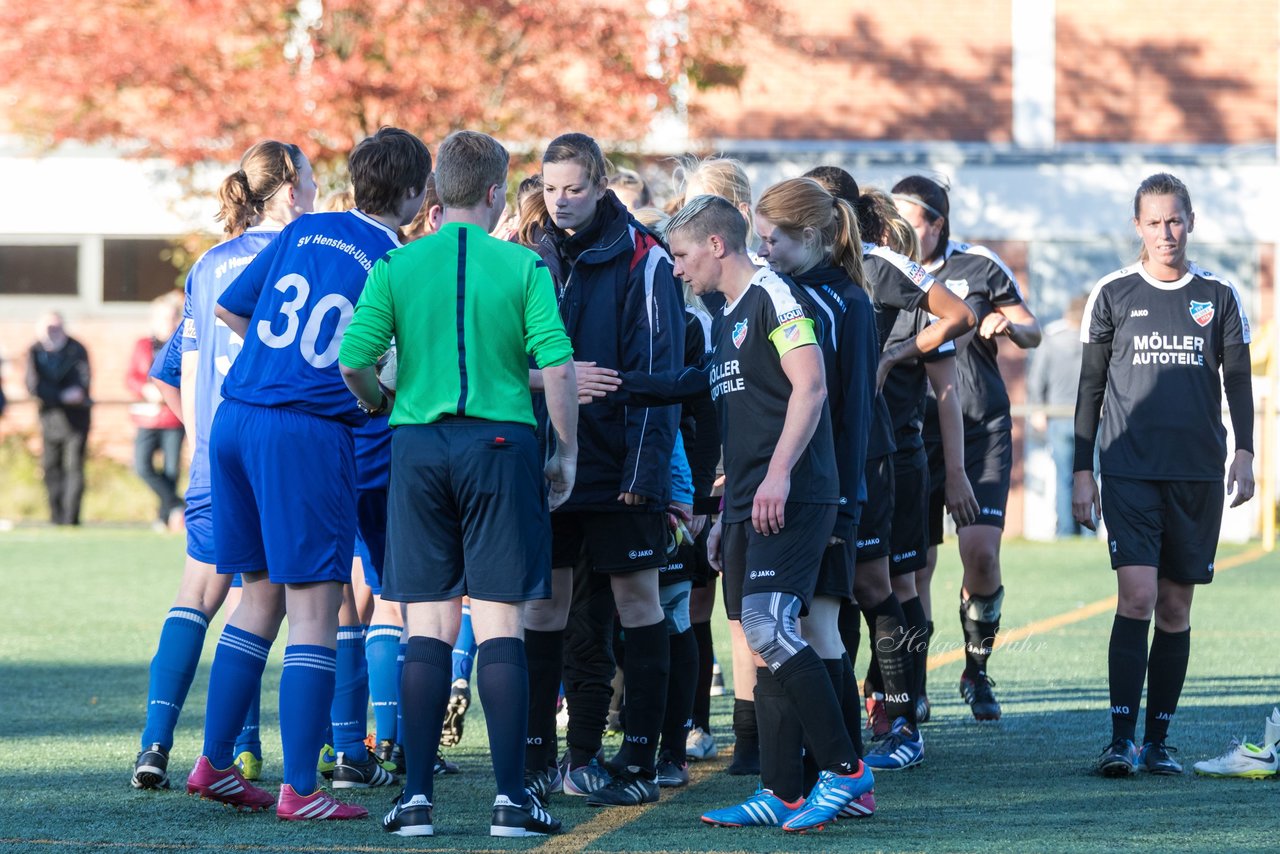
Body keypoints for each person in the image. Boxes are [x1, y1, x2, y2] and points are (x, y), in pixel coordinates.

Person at [186, 127, 430, 822]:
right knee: (318, 609)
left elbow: (234, 307)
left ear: (357, 179)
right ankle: (299, 787)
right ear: (415, 196)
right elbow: (395, 365)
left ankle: (214, 764)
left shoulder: (306, 226)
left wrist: (283, 363)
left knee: (257, 599)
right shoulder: (398, 260)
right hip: (305, 433)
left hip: (238, 418)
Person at [339, 129, 578, 838]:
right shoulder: (525, 266)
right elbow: (559, 366)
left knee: (427, 625)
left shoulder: (398, 263)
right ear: (497, 192)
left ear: (437, 190)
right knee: (500, 620)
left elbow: (355, 359)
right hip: (501, 445)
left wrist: (382, 403)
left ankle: (415, 801)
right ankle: (511, 801)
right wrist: (565, 451)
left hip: (417, 447)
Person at [654, 194, 875, 832]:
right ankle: (780, 790)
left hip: (797, 492)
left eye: (681, 254)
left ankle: (844, 768)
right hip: (748, 501)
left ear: (716, 245)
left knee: (771, 624)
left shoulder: (777, 296)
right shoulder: (724, 316)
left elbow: (811, 387)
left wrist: (779, 475)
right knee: (762, 637)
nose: (676, 267)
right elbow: (742, 423)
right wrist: (726, 509)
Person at [130, 140, 317, 791]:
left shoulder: (208, 264)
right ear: (291, 189)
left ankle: (157, 745)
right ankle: (305, 753)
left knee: (199, 597)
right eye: (314, 180)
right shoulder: (299, 254)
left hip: (216, 454)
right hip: (276, 452)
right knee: (279, 601)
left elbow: (174, 373)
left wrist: (206, 438)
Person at [520, 132, 683, 808]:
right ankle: (538, 757)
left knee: (637, 607)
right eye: (552, 188)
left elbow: (661, 374)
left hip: (619, 470)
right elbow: (504, 361)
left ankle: (639, 754)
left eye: (575, 188)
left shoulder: (646, 258)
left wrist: (645, 473)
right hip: (546, 468)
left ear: (601, 183)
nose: (561, 201)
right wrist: (549, 382)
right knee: (544, 610)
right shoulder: (524, 256)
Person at [1075, 173, 1254, 777]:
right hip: (1129, 470)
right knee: (1139, 596)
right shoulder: (1114, 292)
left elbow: (1238, 384)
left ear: (1191, 220)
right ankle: (1120, 740)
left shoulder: (1219, 295)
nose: (1165, 233)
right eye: (1153, 222)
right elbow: (1090, 389)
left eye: (1174, 220)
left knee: (1175, 610)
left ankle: (1157, 742)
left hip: (1198, 473)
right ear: (1138, 228)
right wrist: (1082, 471)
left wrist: (1246, 453)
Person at [797, 168, 974, 769]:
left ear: (843, 214)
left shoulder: (881, 265)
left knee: (880, 587)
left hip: (875, 452)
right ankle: (827, 725)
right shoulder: (786, 270)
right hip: (808, 452)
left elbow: (959, 316)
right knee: (821, 594)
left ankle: (902, 719)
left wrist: (894, 353)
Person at [894, 175, 1042, 721]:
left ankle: (976, 670)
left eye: (914, 225)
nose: (905, 235)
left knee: (980, 554)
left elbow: (1033, 332)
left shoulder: (977, 265)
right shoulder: (886, 269)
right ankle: (915, 682)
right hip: (911, 432)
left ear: (938, 223)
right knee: (917, 567)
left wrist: (1007, 325)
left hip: (980, 431)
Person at [1027, 294, 1089, 537]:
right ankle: (1088, 530)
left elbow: (1036, 379)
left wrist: (1038, 410)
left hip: (1058, 418)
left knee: (1064, 477)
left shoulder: (1052, 341)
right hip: (1091, 422)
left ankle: (1065, 531)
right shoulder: (1096, 343)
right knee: (1090, 477)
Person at [25, 312, 92, 526]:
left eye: (56, 327)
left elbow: (83, 381)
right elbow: (33, 385)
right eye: (48, 328)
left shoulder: (76, 349)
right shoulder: (35, 351)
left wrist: (73, 394)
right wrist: (60, 396)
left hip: (76, 419)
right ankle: (56, 517)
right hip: (50, 418)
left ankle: (71, 519)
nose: (52, 333)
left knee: (74, 467)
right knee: (51, 467)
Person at [128, 293, 186, 531]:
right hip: (148, 416)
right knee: (142, 466)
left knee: (172, 470)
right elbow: (131, 376)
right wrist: (144, 389)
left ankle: (164, 517)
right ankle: (177, 504)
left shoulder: (185, 345)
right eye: (163, 318)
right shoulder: (142, 345)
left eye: (172, 318)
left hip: (173, 416)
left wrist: (166, 393)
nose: (167, 323)